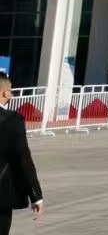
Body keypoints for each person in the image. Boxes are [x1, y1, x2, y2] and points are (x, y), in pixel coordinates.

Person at [0, 75, 42, 232]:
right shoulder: (12, 120)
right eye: (10, 90)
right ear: (5, 93)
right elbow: (22, 159)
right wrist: (36, 195)